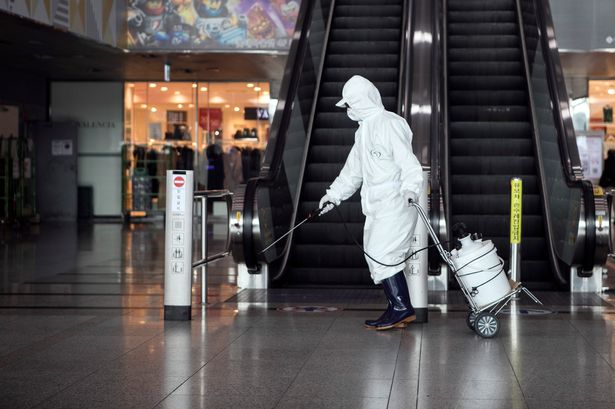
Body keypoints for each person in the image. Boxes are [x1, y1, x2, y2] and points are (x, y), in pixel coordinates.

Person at [319, 75, 423, 331]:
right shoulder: (363, 131)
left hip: (396, 202)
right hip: (376, 205)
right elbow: (353, 171)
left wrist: (411, 187)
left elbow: (408, 162)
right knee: (379, 256)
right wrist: (334, 195)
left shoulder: (389, 124)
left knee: (383, 253)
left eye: (351, 105)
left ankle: (401, 307)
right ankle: (397, 306)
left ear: (362, 101)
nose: (349, 111)